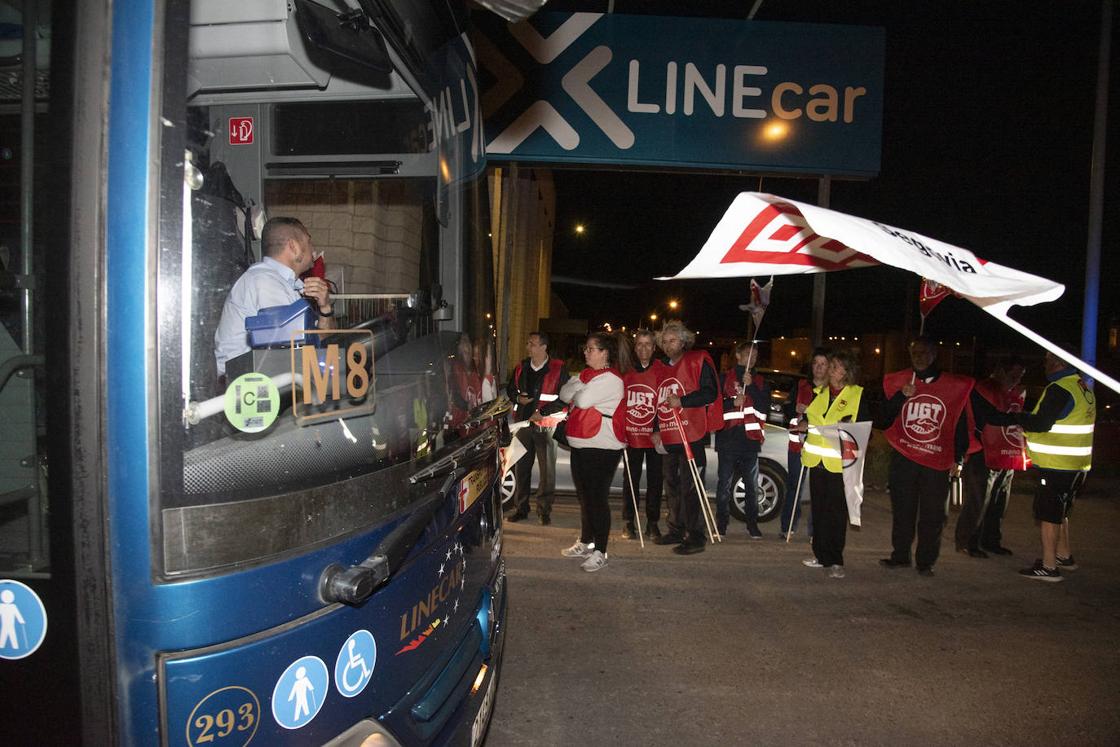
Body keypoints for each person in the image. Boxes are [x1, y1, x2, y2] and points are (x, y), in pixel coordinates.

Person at [879, 337, 974, 577]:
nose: (918, 357)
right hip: (905, 458)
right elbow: (883, 418)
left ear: (934, 355)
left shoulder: (953, 387)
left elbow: (960, 424)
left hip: (937, 461)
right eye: (914, 353)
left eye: (923, 352)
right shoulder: (902, 381)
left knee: (933, 515)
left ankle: (926, 562)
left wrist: (959, 457)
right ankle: (900, 556)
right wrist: (901, 397)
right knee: (902, 511)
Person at [1011, 350, 1095, 582]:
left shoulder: (1059, 389)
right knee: (1061, 510)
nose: (1045, 363)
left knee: (1048, 513)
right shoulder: (1081, 387)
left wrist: (1020, 419)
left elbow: (1042, 422)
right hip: (1077, 464)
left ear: (1058, 362)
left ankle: (1049, 567)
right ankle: (1063, 556)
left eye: (1048, 359)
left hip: (1057, 464)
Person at [214, 217, 335, 377]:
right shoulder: (264, 281)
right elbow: (289, 346)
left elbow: (321, 341)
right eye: (309, 242)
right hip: (246, 388)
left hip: (267, 379)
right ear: (294, 247)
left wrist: (325, 308)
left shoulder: (286, 285)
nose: (313, 251)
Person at [557, 332, 633, 572]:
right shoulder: (588, 375)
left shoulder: (611, 380)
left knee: (597, 499)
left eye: (591, 349)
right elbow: (563, 393)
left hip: (602, 447)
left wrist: (578, 390)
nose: (586, 352)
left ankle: (600, 550)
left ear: (605, 353)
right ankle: (586, 540)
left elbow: (579, 400)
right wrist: (579, 389)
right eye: (586, 348)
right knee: (584, 497)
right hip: (581, 444)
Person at [651, 321, 723, 555]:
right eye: (664, 341)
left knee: (691, 487)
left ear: (683, 341)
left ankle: (696, 536)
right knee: (671, 485)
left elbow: (710, 392)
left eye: (672, 340)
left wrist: (683, 401)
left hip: (692, 433)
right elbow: (657, 401)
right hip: (669, 433)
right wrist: (655, 428)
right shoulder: (660, 367)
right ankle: (676, 529)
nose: (667, 344)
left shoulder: (697, 360)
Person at [798, 350, 871, 578]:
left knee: (836, 514)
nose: (830, 370)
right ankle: (820, 555)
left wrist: (846, 427)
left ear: (847, 372)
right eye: (832, 366)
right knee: (818, 511)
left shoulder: (857, 395)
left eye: (836, 367)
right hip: (817, 462)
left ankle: (835, 560)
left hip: (839, 465)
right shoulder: (820, 393)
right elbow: (812, 420)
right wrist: (803, 423)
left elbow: (865, 430)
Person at [953, 358, 1027, 557]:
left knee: (999, 501)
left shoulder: (1012, 393)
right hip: (981, 452)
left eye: (1020, 376)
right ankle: (968, 542)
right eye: (1013, 376)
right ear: (1000, 371)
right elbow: (990, 417)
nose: (1016, 380)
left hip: (1006, 453)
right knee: (979, 501)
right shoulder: (983, 389)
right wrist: (1024, 419)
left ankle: (991, 541)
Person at [505, 331, 569, 524]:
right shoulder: (522, 367)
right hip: (523, 425)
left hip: (546, 425)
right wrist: (517, 398)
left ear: (543, 347)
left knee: (547, 471)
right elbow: (510, 389)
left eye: (532, 343)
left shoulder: (559, 368)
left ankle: (544, 510)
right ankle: (521, 508)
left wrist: (543, 412)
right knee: (521, 469)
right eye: (528, 343)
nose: (528, 347)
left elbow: (565, 397)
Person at [714, 342, 770, 538]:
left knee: (752, 487)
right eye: (748, 354)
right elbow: (714, 406)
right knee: (724, 487)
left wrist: (752, 386)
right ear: (738, 355)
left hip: (750, 441)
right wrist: (731, 402)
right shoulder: (723, 378)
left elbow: (765, 407)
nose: (751, 358)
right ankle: (721, 523)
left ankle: (752, 524)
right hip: (728, 440)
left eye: (755, 355)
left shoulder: (760, 381)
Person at [620, 329, 668, 540]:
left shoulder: (661, 370)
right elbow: (620, 403)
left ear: (654, 347)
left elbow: (665, 400)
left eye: (648, 344)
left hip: (654, 435)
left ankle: (652, 523)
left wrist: (658, 428)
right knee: (631, 480)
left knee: (655, 480)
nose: (643, 348)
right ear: (634, 347)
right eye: (639, 344)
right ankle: (629, 522)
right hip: (632, 435)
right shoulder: (626, 371)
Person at [782, 347, 830, 536]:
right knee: (794, 485)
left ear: (829, 367)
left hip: (821, 447)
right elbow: (786, 410)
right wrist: (794, 410)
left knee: (819, 491)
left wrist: (809, 414)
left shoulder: (831, 392)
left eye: (823, 364)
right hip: (798, 446)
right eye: (816, 363)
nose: (819, 367)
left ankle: (815, 531)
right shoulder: (801, 385)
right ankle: (788, 526)